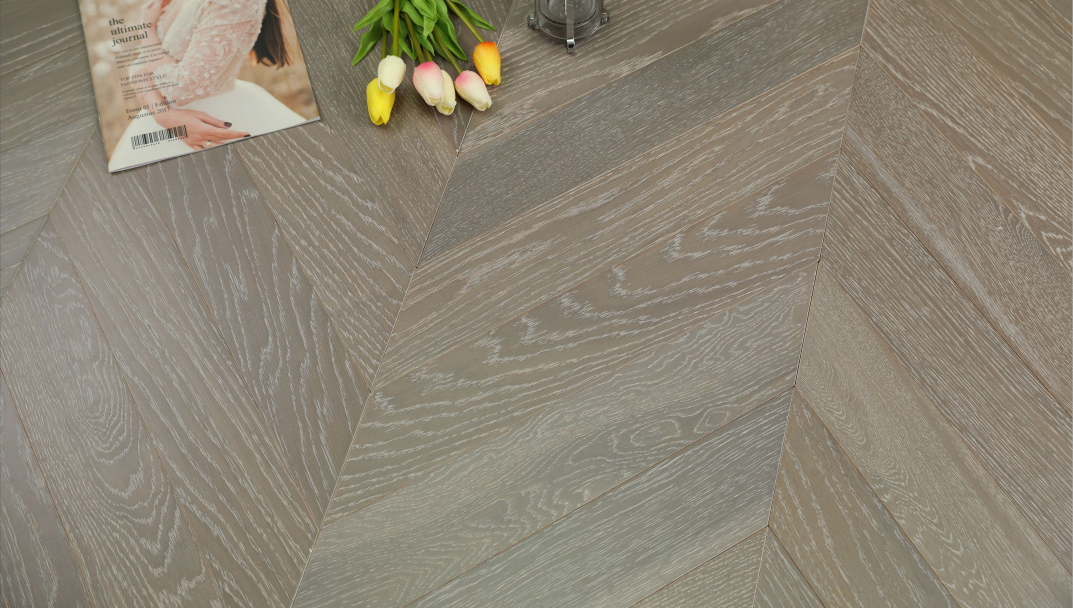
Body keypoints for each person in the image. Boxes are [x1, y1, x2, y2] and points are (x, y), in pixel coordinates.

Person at [108, 0, 306, 169]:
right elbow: (140, 67)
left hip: (217, 116)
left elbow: (180, 88)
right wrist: (165, 116)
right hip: (162, 120)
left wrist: (146, 30)